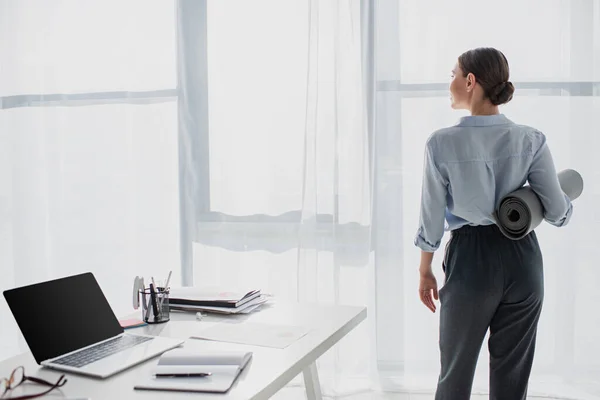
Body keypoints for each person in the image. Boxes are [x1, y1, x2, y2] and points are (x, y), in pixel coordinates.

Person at [414, 47, 573, 400]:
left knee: (455, 373)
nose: (450, 83)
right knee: (512, 378)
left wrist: (425, 270)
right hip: (524, 260)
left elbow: (431, 217)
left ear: (471, 81)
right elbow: (558, 212)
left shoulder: (441, 143)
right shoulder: (531, 139)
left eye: (453, 74)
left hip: (471, 261)